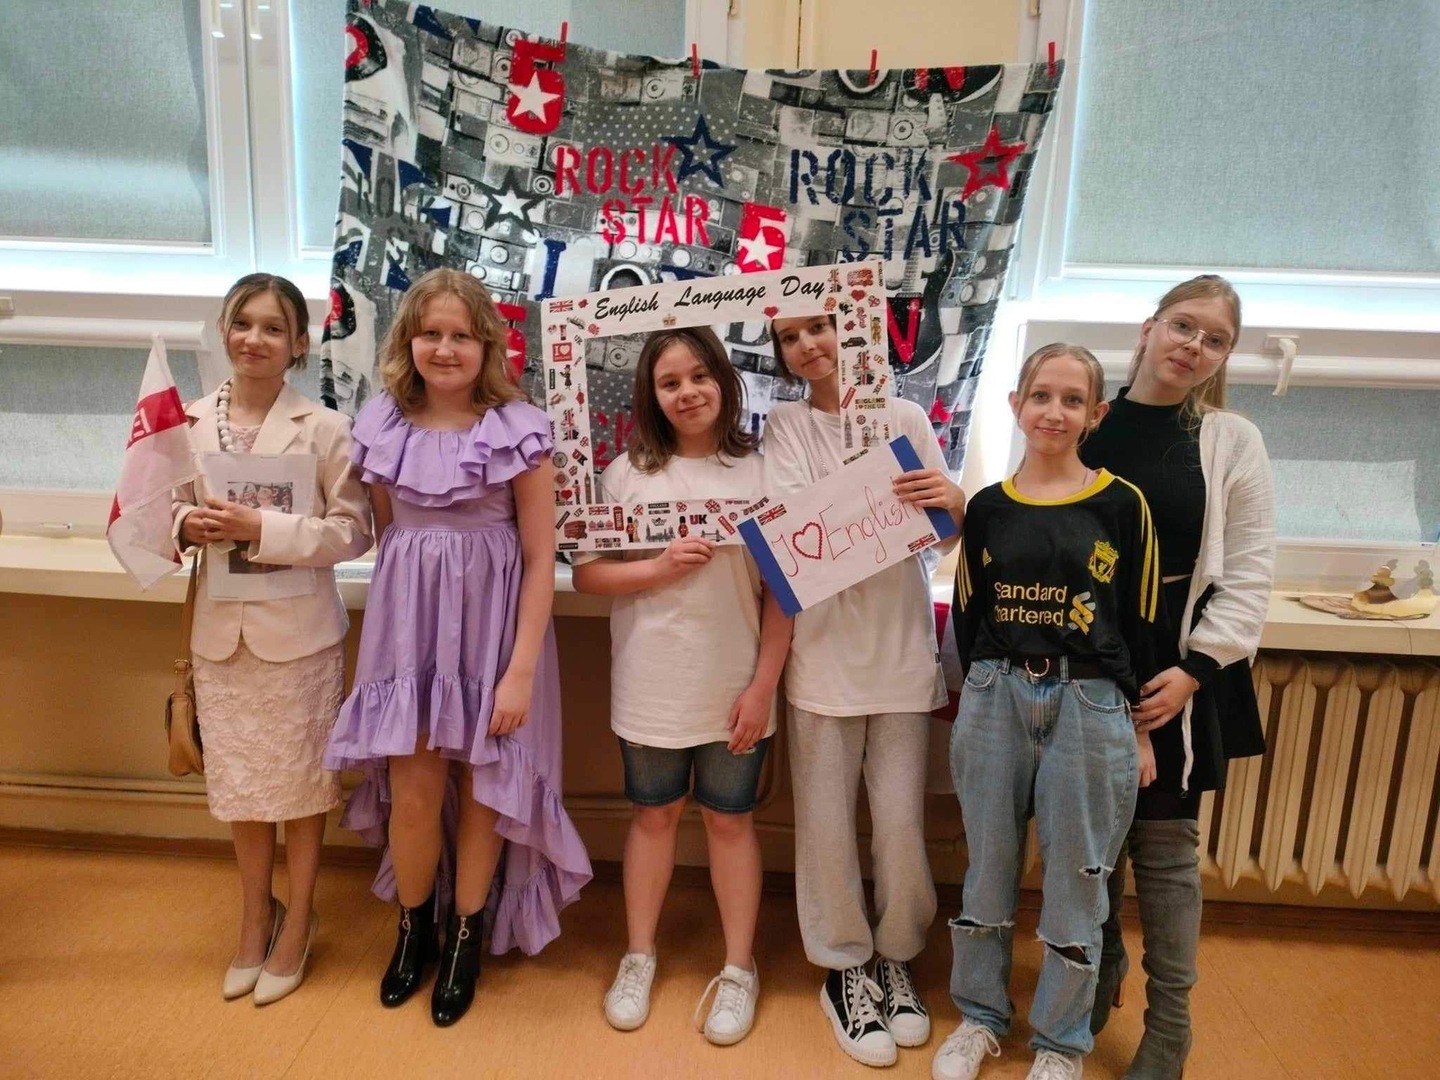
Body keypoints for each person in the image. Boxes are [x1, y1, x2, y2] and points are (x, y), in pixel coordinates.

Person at [323, 268, 591, 1027]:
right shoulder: (382, 425)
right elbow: (391, 538)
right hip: (408, 637)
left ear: (486, 346)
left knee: (482, 789)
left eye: (461, 336)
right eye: (431, 334)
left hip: (496, 639)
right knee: (413, 788)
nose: (445, 349)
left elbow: (539, 559)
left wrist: (521, 672)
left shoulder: (520, 430)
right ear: (409, 341)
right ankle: (415, 928)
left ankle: (467, 935)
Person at [933, 343, 1173, 1080]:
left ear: (1096, 414)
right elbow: (969, 618)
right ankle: (979, 1016)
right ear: (1016, 404)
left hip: (1090, 703)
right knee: (988, 868)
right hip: (995, 696)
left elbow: (1143, 623)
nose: (1054, 412)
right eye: (1041, 395)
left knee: (1079, 878)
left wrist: (1137, 729)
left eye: (1073, 400)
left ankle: (1061, 1043)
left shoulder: (1122, 504)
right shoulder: (988, 508)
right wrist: (979, 702)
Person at [572, 326, 791, 1047]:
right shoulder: (625, 475)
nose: (688, 392)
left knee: (730, 821)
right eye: (670, 382)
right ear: (651, 395)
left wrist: (763, 685)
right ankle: (638, 956)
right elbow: (589, 575)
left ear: (724, 380)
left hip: (735, 685)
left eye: (699, 376)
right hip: (651, 683)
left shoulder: (762, 472)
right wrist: (659, 568)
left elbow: (785, 592)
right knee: (654, 815)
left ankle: (738, 967)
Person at [1081, 275, 1275, 1080]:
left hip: (1177, 672)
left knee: (1163, 849)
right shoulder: (1086, 418)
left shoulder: (1232, 440)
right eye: (1183, 326)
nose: (1194, 345)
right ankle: (1097, 972)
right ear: (1149, 327)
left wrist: (1193, 671)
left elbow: (1251, 572)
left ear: (1224, 357)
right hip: (1087, 662)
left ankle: (1170, 1025)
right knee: (1088, 845)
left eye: (1215, 339)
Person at [763, 313, 966, 1069]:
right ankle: (843, 967)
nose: (808, 345)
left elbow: (940, 530)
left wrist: (953, 501)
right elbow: (795, 540)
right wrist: (867, 507)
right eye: (790, 336)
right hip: (822, 659)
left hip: (902, 653)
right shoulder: (784, 426)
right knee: (823, 823)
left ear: (853, 331)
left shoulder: (905, 417)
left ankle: (898, 956)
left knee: (900, 823)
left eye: (820, 327)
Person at [172, 273, 371, 1005]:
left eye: (273, 328)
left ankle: (301, 916)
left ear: (299, 344)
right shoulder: (186, 422)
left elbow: (354, 531)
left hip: (300, 637)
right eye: (243, 323)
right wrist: (184, 525)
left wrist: (264, 527)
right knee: (242, 789)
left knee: (302, 787)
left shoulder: (325, 428)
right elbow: (156, 511)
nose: (254, 339)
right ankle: (257, 916)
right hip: (220, 635)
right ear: (224, 330)